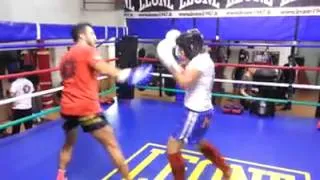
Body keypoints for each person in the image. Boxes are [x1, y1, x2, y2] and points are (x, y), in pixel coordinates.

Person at [56, 22, 153, 180]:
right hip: (86, 108)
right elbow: (102, 67)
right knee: (112, 144)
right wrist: (124, 74)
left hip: (68, 107)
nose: (95, 37)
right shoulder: (87, 50)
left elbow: (72, 79)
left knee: (68, 144)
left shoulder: (65, 57)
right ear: (82, 35)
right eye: (92, 33)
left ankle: (60, 175)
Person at [157, 29, 231, 180]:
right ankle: (226, 169)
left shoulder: (200, 62)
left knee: (172, 148)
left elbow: (184, 82)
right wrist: (179, 64)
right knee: (200, 143)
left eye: (183, 49)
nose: (182, 53)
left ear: (191, 47)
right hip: (204, 110)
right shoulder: (203, 58)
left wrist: (170, 64)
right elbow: (188, 72)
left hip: (195, 112)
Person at [9, 68, 35, 135]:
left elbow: (11, 94)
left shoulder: (15, 83)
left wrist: (8, 93)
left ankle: (14, 143)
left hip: (18, 109)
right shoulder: (29, 82)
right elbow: (31, 92)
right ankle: (32, 142)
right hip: (28, 107)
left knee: (16, 129)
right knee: (29, 128)